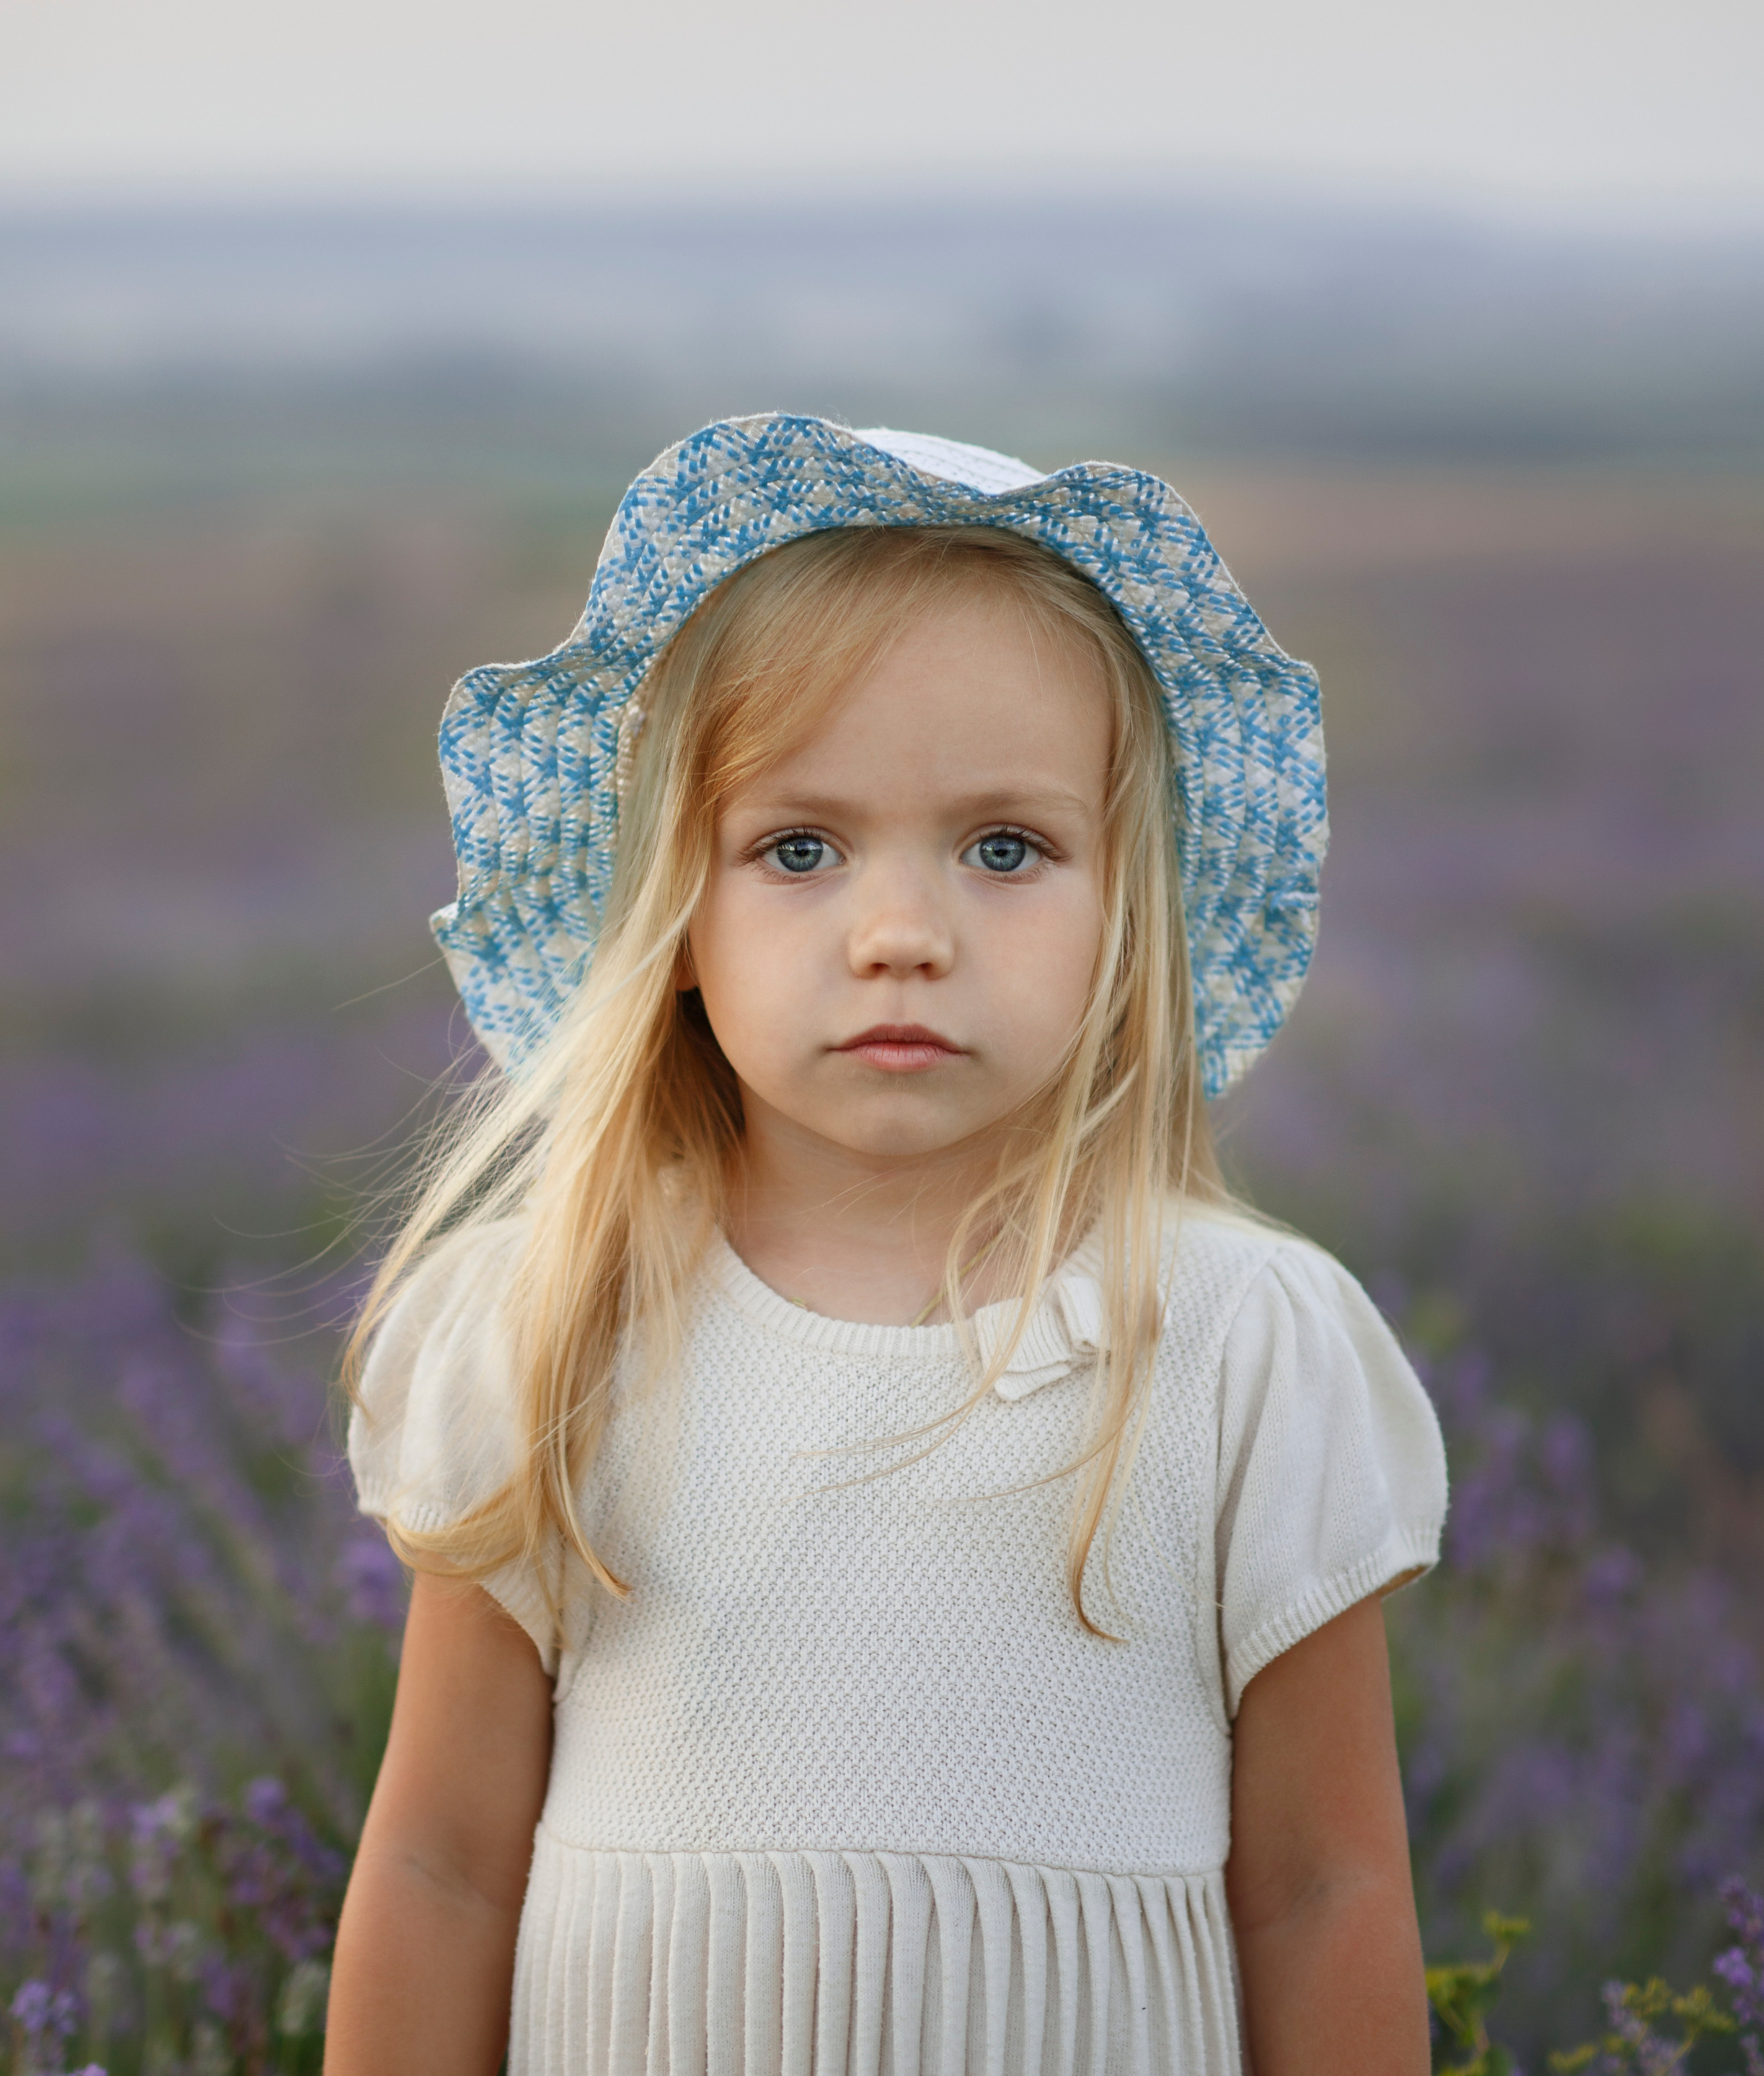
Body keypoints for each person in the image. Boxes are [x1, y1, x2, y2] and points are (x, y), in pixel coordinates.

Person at [325, 415, 1448, 2076]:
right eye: (798, 848)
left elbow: (1320, 1890)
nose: (903, 935)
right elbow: (436, 1868)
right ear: (673, 920)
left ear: (1128, 915)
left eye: (1006, 849)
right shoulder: (555, 1325)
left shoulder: (1237, 1339)